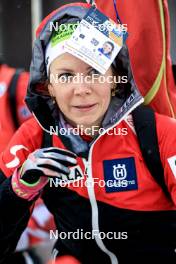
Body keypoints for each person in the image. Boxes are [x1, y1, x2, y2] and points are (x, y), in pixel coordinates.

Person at [0, 2, 176, 264]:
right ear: (49, 86)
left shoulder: (158, 133)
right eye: (66, 76)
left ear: (115, 80)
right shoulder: (35, 137)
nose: (81, 89)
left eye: (94, 72)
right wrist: (17, 190)